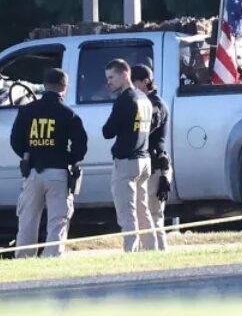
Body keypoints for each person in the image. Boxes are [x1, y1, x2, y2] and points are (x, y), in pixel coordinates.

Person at [10, 68, 88, 258]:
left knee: (27, 219)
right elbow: (81, 146)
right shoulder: (68, 114)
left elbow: (15, 141)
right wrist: (68, 158)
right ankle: (51, 257)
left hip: (33, 172)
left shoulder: (27, 111)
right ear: (64, 87)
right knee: (57, 220)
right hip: (59, 174)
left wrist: (28, 155)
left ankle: (23, 258)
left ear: (44, 86)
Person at [102, 59, 157, 252]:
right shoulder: (144, 98)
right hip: (144, 158)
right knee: (143, 211)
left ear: (125, 75)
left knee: (127, 212)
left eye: (111, 77)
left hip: (127, 161)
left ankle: (130, 252)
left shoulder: (125, 99)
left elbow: (107, 131)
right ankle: (151, 249)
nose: (108, 82)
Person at [131, 64, 173, 251]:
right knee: (151, 214)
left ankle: (157, 253)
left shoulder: (154, 105)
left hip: (156, 165)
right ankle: (155, 251)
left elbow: (146, 130)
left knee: (151, 214)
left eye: (135, 83)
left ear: (145, 82)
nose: (132, 87)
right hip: (156, 164)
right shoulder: (152, 102)